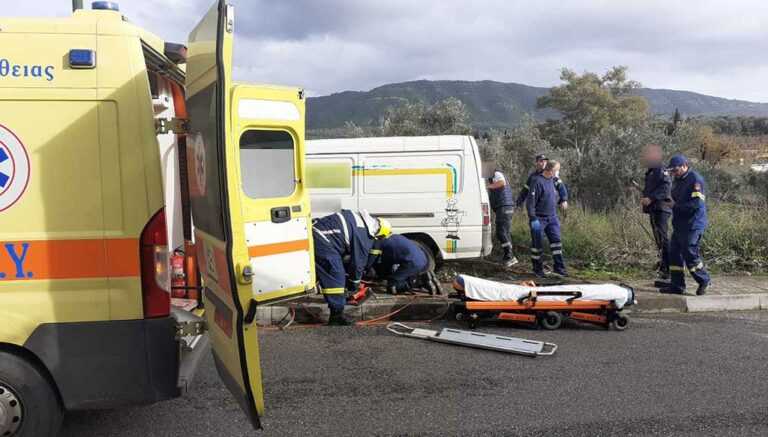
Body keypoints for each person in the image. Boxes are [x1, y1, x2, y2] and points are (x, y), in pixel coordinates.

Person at [313, 210, 392, 325]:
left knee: (335, 273)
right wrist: (354, 285)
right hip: (322, 239)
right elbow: (358, 265)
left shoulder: (362, 222)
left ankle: (336, 308)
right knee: (336, 276)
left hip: (320, 234)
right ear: (380, 234)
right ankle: (336, 317)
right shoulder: (364, 236)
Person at [658, 155, 711, 295]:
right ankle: (677, 285)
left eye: (676, 170)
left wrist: (675, 206)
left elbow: (696, 204)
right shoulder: (677, 180)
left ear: (684, 166)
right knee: (674, 253)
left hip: (693, 224)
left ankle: (703, 280)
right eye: (672, 171)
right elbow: (674, 199)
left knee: (689, 251)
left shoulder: (695, 179)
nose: (674, 173)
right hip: (680, 224)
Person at [526, 160, 567, 277]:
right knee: (537, 245)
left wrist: (563, 199)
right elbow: (530, 202)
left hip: (552, 218)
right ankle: (537, 269)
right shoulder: (537, 181)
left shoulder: (554, 180)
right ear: (552, 170)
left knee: (556, 243)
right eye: (557, 170)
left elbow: (562, 189)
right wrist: (533, 218)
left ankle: (559, 268)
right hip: (538, 219)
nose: (558, 173)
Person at [641, 144, 673, 279]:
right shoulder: (651, 171)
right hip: (654, 209)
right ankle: (663, 264)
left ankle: (669, 268)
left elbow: (666, 187)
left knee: (663, 238)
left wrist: (651, 198)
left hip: (661, 208)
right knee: (658, 239)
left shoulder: (661, 170)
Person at [368, 234, 438, 294]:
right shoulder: (394, 237)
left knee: (392, 287)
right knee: (401, 278)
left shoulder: (378, 244)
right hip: (424, 259)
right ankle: (427, 278)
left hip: (412, 262)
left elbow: (382, 264)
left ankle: (420, 281)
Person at [486, 165, 518, 266]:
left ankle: (510, 256)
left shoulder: (496, 174)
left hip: (504, 206)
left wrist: (488, 186)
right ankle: (508, 256)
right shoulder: (492, 176)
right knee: (505, 232)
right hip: (504, 206)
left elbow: (502, 183)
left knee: (501, 232)